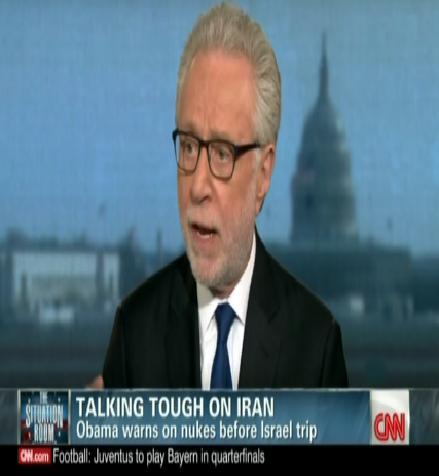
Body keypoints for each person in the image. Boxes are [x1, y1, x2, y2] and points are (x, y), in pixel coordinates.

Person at [103, 2, 348, 389]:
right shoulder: (134, 332)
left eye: (221, 153)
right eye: (188, 147)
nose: (198, 186)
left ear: (263, 174)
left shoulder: (315, 343)